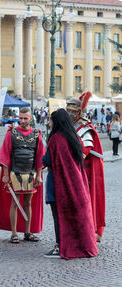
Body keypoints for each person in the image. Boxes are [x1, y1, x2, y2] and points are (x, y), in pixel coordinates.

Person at [42, 109, 98, 259]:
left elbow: (46, 161)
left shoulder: (55, 139)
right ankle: (76, 244)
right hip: (76, 183)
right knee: (74, 216)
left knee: (58, 216)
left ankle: (60, 245)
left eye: (51, 120)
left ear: (57, 121)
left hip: (57, 183)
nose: (49, 123)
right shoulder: (74, 137)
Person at [0, 107, 46, 243]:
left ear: (31, 118)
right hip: (14, 174)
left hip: (30, 174)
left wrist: (39, 175)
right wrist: (5, 175)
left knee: (28, 203)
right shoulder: (12, 133)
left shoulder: (36, 134)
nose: (22, 121)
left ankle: (27, 233)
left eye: (25, 118)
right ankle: (14, 233)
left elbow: (40, 156)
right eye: (20, 118)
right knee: (14, 203)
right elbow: (5, 154)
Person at [66, 91, 105, 242]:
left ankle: (86, 231)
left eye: (72, 111)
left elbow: (85, 150)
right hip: (71, 171)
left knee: (84, 204)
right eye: (67, 110)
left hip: (83, 173)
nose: (69, 114)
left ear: (79, 111)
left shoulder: (84, 128)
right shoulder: (69, 126)